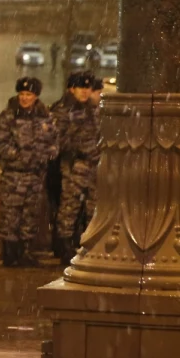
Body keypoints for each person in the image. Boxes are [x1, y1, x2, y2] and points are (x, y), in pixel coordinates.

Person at [0, 77, 58, 267]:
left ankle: (25, 251)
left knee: (30, 215)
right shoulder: (8, 117)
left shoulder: (45, 117)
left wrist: (48, 155)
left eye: (29, 94)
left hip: (36, 176)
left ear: (36, 96)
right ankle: (10, 253)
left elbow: (54, 140)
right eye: (22, 94)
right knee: (11, 215)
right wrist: (16, 156)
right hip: (14, 176)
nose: (25, 98)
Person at [49, 71, 99, 265]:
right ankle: (64, 246)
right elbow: (56, 140)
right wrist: (81, 147)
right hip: (74, 165)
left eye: (87, 88)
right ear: (72, 89)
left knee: (92, 208)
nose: (85, 92)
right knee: (69, 207)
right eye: (81, 88)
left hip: (94, 167)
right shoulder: (63, 110)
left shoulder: (92, 109)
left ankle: (88, 245)